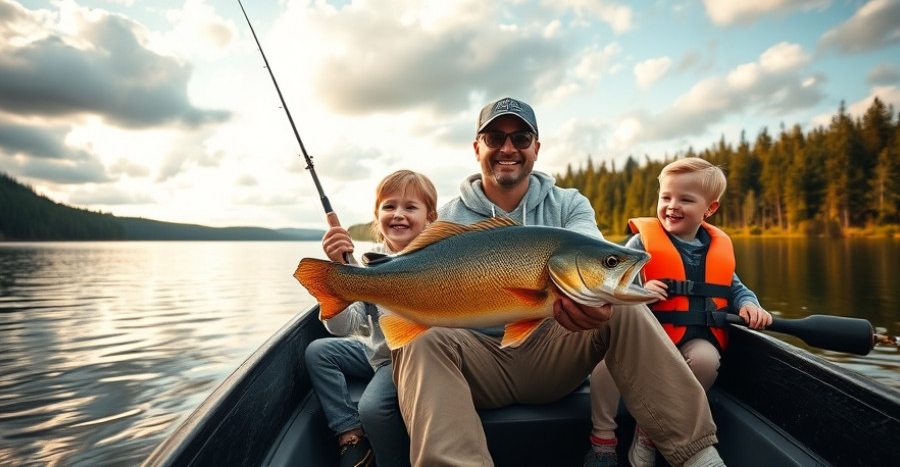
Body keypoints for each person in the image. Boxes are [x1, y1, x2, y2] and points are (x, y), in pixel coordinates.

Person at [390, 97, 725, 467]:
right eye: (494, 137)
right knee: (419, 340)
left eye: (520, 138)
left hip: (554, 355)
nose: (507, 148)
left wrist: (595, 305)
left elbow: (595, 259)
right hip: (477, 366)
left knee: (623, 306)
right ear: (476, 148)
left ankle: (698, 457)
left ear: (536, 148)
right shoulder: (449, 218)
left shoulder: (569, 204)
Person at [589, 157, 773, 467]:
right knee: (606, 366)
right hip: (641, 341)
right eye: (666, 197)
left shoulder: (716, 248)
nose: (672, 206)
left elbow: (735, 287)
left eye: (685, 199)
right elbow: (612, 280)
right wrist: (639, 290)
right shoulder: (641, 242)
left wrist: (750, 304)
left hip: (689, 337)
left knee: (707, 360)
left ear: (709, 209)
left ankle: (647, 433)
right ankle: (602, 441)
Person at [306, 169, 438, 467]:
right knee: (319, 352)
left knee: (373, 407)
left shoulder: (436, 259)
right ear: (377, 216)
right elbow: (343, 327)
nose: (399, 215)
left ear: (430, 217)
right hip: (376, 353)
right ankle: (350, 433)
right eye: (389, 207)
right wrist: (338, 276)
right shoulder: (366, 264)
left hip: (405, 358)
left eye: (410, 207)